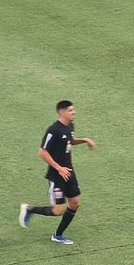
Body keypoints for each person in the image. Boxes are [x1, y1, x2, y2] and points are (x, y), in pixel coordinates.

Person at [19, 99, 96, 245]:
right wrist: (59, 168)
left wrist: (85, 140)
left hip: (69, 172)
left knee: (74, 203)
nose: (74, 112)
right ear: (62, 112)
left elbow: (70, 140)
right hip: (57, 176)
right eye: (70, 110)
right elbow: (42, 152)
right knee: (58, 210)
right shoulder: (53, 130)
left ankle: (58, 235)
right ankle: (29, 209)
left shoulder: (70, 126)